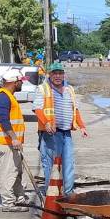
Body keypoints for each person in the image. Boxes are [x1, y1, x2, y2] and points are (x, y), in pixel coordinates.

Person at [36, 62, 88, 198]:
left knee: (68, 163)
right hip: (51, 133)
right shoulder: (43, 89)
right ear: (50, 75)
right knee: (51, 164)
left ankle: (68, 192)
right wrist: (46, 123)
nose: (58, 76)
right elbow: (38, 109)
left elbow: (75, 109)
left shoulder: (69, 89)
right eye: (55, 73)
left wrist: (81, 126)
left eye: (60, 73)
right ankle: (51, 193)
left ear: (64, 74)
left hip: (66, 132)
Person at [0, 68, 32, 211]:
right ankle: (8, 203)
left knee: (17, 172)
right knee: (10, 173)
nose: (22, 84)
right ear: (15, 82)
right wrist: (14, 138)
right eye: (21, 81)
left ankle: (19, 198)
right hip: (6, 142)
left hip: (12, 143)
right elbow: (4, 120)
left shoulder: (8, 95)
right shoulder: (2, 97)